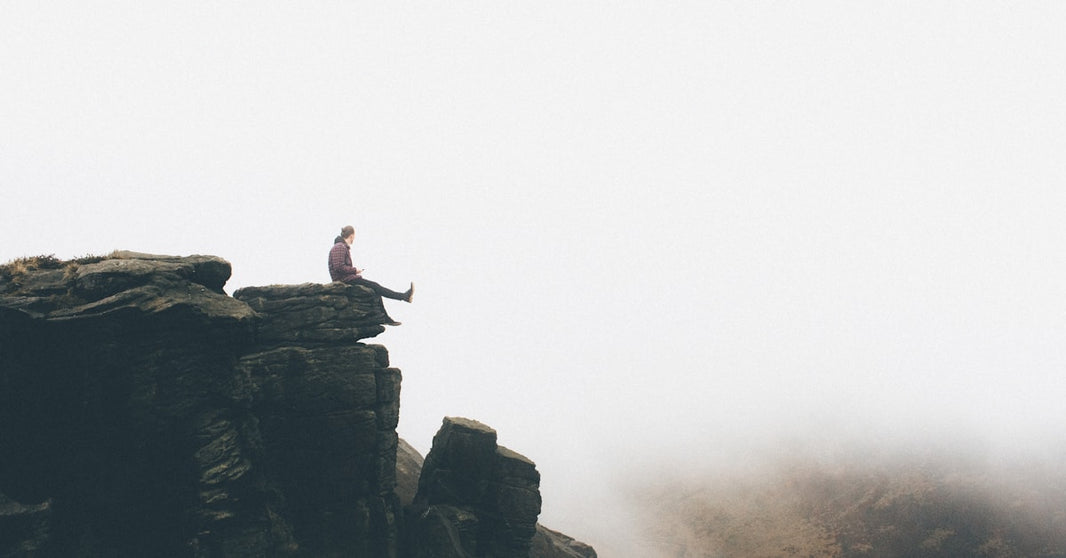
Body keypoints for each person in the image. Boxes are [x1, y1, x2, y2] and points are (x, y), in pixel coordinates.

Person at [329, 225, 413, 326]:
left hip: (346, 279)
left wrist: (354, 272)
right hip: (344, 280)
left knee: (375, 289)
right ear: (351, 236)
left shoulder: (341, 247)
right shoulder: (339, 247)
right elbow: (339, 267)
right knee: (376, 287)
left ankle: (385, 317)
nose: (353, 239)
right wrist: (355, 270)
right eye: (354, 236)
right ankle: (403, 297)